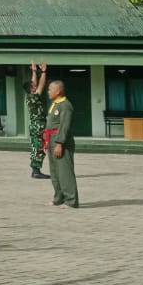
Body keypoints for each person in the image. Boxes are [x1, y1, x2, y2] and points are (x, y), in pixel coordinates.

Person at [45, 79, 79, 209]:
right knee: (55, 172)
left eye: (50, 89)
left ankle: (71, 200)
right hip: (52, 139)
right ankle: (59, 197)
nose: (48, 91)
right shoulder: (55, 104)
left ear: (58, 91)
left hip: (61, 141)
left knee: (65, 171)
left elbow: (65, 126)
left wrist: (60, 143)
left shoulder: (65, 105)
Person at [26, 61, 50, 180]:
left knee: (36, 146)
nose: (35, 86)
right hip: (37, 126)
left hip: (35, 125)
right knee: (38, 147)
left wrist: (34, 71)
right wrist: (44, 72)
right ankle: (36, 170)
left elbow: (34, 83)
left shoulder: (30, 97)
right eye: (33, 86)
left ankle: (35, 170)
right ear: (31, 89)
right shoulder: (33, 97)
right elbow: (40, 85)